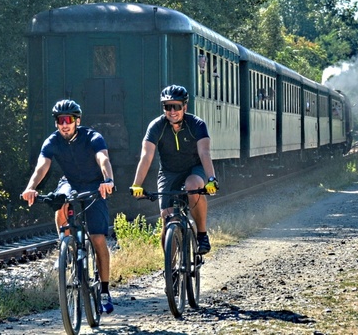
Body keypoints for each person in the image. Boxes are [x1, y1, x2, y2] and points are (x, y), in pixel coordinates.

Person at [21, 99, 116, 313]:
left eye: (69, 120)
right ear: (56, 123)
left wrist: (108, 180)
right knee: (59, 199)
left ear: (77, 121)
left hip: (94, 185)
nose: (64, 124)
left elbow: (103, 159)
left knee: (98, 238)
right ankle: (66, 246)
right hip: (70, 183)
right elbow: (42, 166)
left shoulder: (92, 137)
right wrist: (31, 187)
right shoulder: (53, 141)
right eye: (60, 120)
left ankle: (104, 290)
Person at [130, 85, 219, 254]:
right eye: (167, 107)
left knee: (193, 187)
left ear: (185, 106)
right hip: (169, 172)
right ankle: (171, 270)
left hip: (194, 168)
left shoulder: (197, 124)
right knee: (167, 217)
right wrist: (137, 184)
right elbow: (146, 156)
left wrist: (211, 179)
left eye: (176, 106)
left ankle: (202, 235)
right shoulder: (157, 126)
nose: (172, 111)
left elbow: (204, 153)